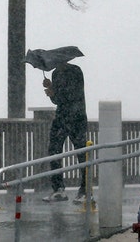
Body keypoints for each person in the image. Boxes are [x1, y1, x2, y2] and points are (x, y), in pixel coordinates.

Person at [42, 60, 89, 203]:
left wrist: (55, 91)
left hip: (77, 118)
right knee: (54, 151)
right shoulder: (55, 73)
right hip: (61, 117)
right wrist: (51, 92)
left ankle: (85, 190)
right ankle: (58, 189)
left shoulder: (76, 71)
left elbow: (73, 95)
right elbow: (58, 100)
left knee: (81, 153)